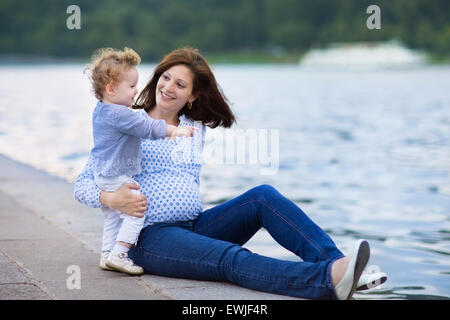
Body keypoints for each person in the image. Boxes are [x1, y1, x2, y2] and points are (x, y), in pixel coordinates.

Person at [74, 47, 386, 299]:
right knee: (230, 257)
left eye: (180, 85)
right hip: (148, 237)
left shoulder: (194, 129)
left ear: (192, 96)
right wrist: (112, 198)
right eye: (166, 78)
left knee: (263, 197)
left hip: (194, 227)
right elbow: (83, 184)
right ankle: (326, 281)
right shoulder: (125, 123)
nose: (168, 87)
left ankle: (339, 265)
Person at [83, 47, 197, 275]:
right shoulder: (120, 114)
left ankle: (107, 254)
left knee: (114, 218)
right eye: (132, 86)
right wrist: (173, 131)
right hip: (116, 176)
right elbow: (146, 127)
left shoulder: (101, 110)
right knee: (136, 213)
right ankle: (120, 254)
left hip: (105, 175)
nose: (136, 91)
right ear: (111, 88)